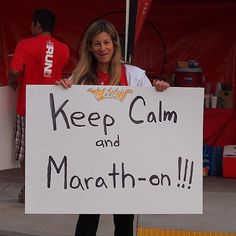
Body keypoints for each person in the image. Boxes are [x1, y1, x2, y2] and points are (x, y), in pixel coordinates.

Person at [57, 19, 169, 236]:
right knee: (88, 219)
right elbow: (65, 112)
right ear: (89, 47)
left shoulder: (135, 75)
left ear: (115, 44)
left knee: (125, 221)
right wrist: (62, 88)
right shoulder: (79, 77)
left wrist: (160, 90)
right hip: (92, 161)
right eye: (97, 43)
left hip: (127, 161)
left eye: (106, 42)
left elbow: (152, 112)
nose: (102, 48)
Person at [8, 9, 70, 203]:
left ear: (37, 24)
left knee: (26, 151)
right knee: (50, 148)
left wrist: (12, 82)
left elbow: (14, 71)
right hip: (53, 109)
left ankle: (31, 188)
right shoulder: (64, 48)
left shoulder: (25, 45)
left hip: (27, 106)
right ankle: (49, 186)